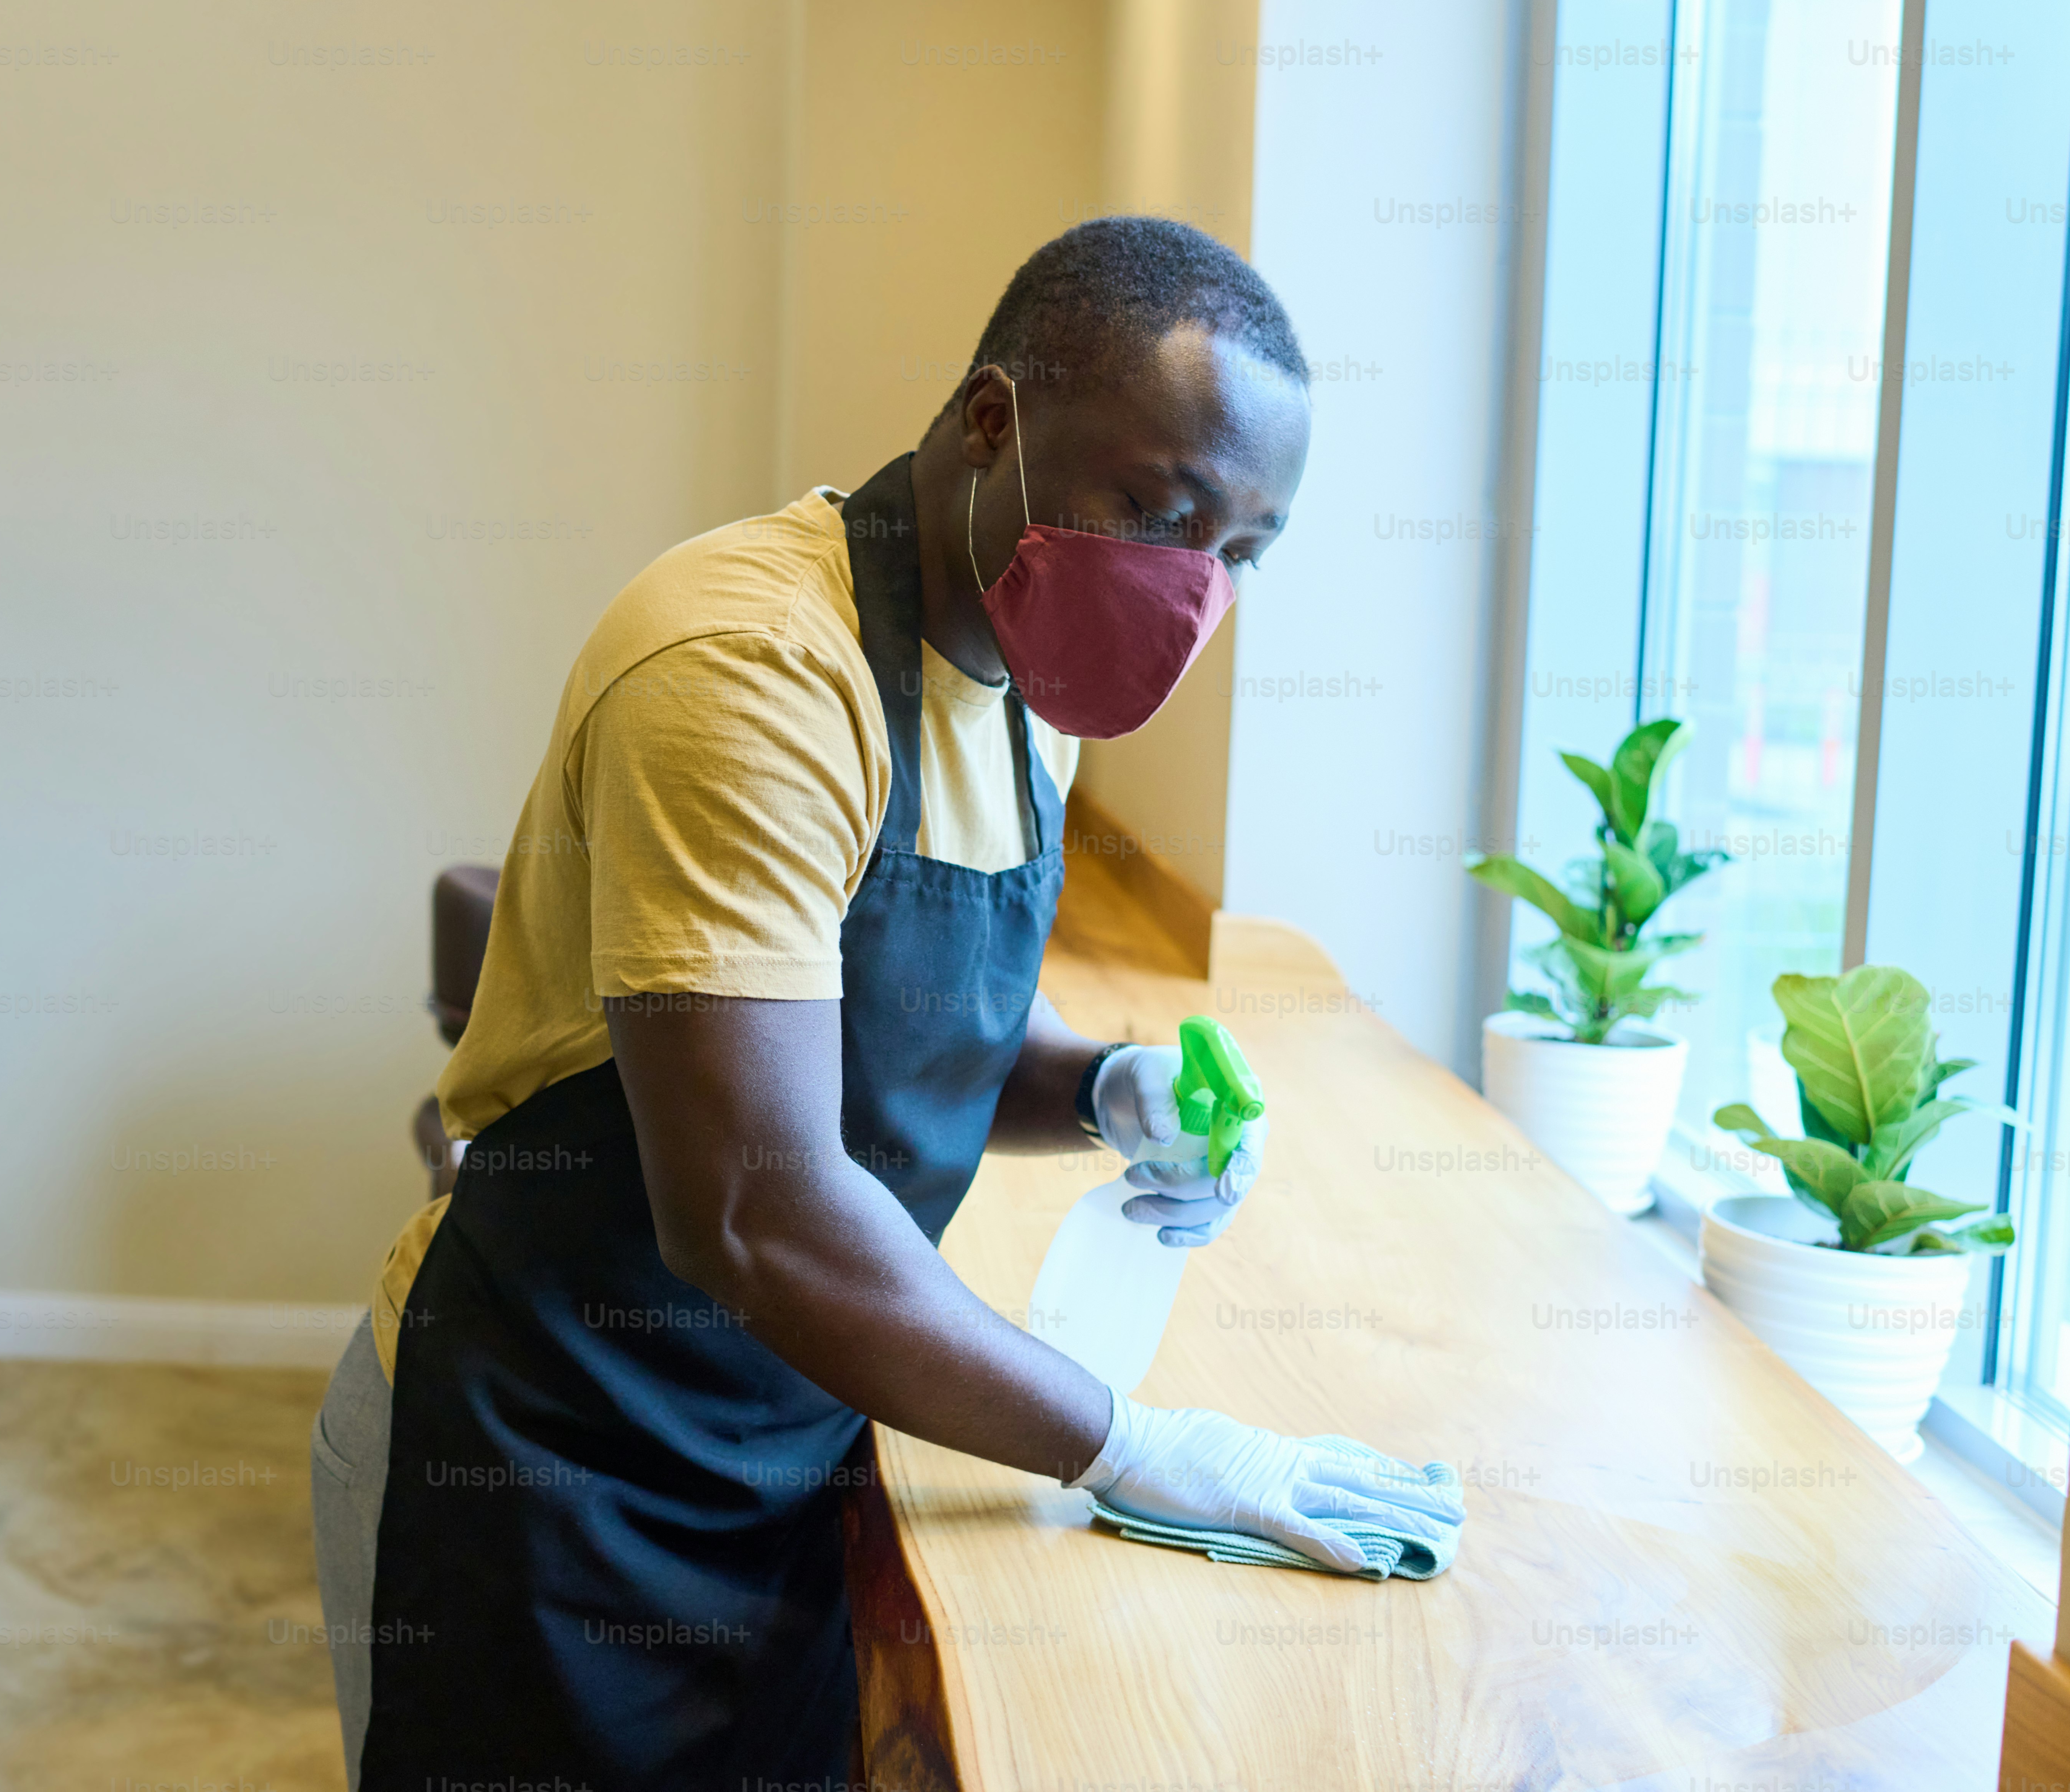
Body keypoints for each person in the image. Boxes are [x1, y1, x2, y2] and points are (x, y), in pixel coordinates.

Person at [308, 219, 1463, 1788]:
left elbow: (901, 1040)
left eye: (1240, 550)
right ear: (993, 423)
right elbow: (760, 1208)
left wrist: (1108, 1086)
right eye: (1155, 507)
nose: (1190, 588)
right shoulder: (750, 671)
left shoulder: (1026, 694)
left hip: (786, 1444)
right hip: (546, 1462)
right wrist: (1130, 1440)